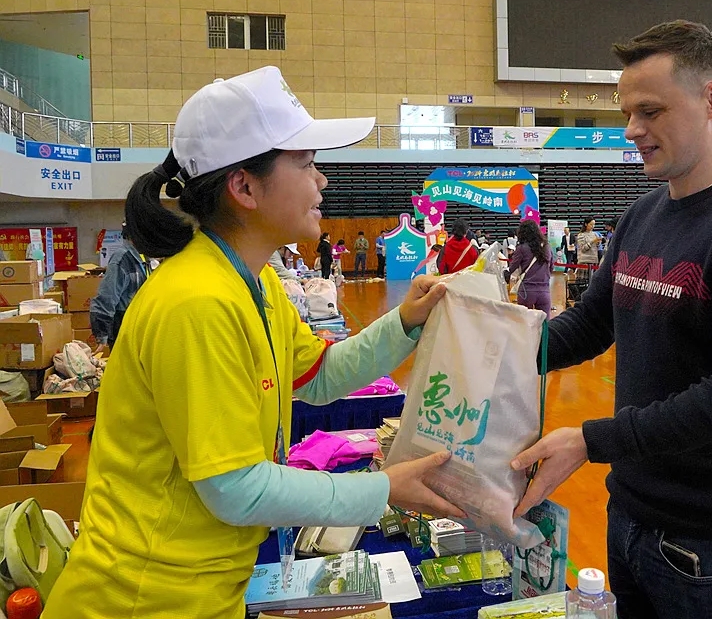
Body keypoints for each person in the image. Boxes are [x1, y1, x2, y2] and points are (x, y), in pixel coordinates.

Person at [43, 66, 463, 619]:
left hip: (201, 590)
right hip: (142, 598)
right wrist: (380, 489)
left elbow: (319, 376)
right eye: (306, 163)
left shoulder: (253, 282)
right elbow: (236, 488)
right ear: (244, 187)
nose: (322, 181)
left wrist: (404, 321)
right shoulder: (197, 302)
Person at [510, 21, 712, 619]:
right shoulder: (642, 215)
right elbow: (589, 325)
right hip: (630, 516)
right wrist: (484, 343)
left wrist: (592, 440)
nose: (632, 129)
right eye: (627, 113)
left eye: (650, 111)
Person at [89, 222, 151, 353]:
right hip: (124, 330)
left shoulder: (144, 258)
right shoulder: (122, 259)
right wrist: (102, 334)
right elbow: (107, 297)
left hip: (141, 329)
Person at [504, 219, 552, 317]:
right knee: (544, 323)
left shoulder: (521, 248)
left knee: (524, 321)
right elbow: (551, 267)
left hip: (526, 290)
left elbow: (512, 267)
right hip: (544, 290)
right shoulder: (546, 246)